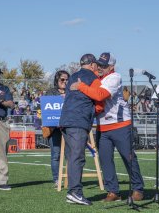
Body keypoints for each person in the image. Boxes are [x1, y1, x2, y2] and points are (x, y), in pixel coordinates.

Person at [70, 52, 145, 202]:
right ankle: (113, 191)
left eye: (104, 65)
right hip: (102, 126)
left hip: (120, 124)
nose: (100, 68)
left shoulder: (114, 77)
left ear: (112, 66)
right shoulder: (96, 78)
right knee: (105, 160)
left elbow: (100, 95)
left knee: (128, 157)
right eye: (99, 64)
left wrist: (81, 86)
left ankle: (138, 188)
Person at [59, 54, 99, 206]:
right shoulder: (93, 78)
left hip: (65, 120)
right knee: (77, 157)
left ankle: (73, 191)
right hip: (78, 121)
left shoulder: (72, 77)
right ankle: (75, 192)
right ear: (92, 65)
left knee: (72, 157)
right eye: (96, 64)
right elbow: (98, 96)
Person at [43, 70, 70, 188]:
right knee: (56, 154)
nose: (65, 82)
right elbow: (46, 110)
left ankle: (71, 179)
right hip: (54, 128)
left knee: (70, 155)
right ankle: (57, 179)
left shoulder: (72, 92)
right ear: (57, 80)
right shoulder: (50, 93)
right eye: (62, 80)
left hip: (69, 127)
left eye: (67, 79)